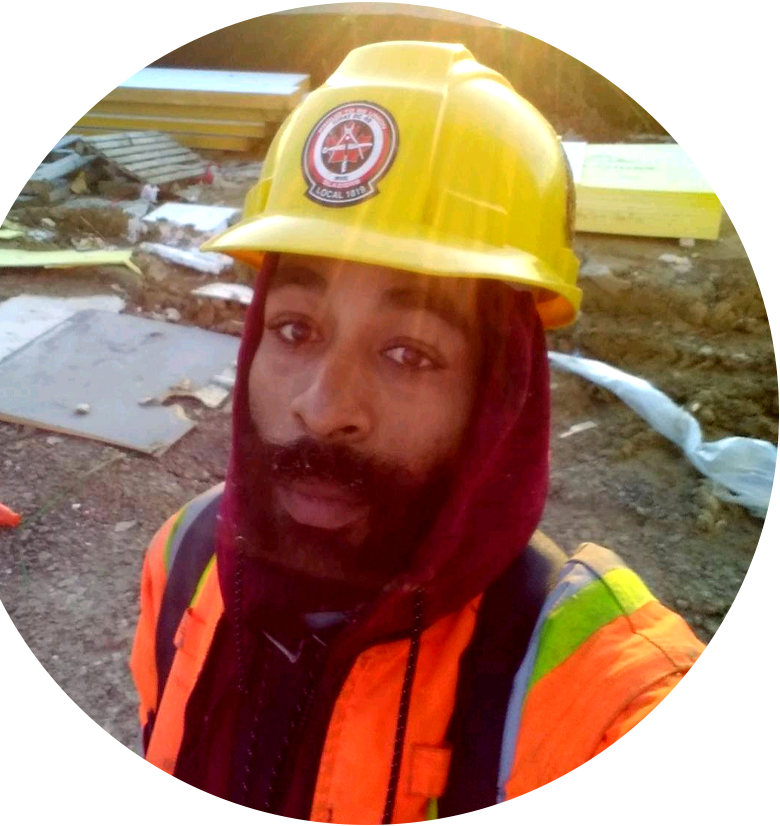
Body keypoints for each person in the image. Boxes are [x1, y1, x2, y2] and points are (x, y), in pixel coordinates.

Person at [97, 41, 780, 826]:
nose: (322, 409)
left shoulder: (625, 712)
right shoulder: (190, 556)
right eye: (294, 329)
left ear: (500, 392)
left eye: (407, 352)